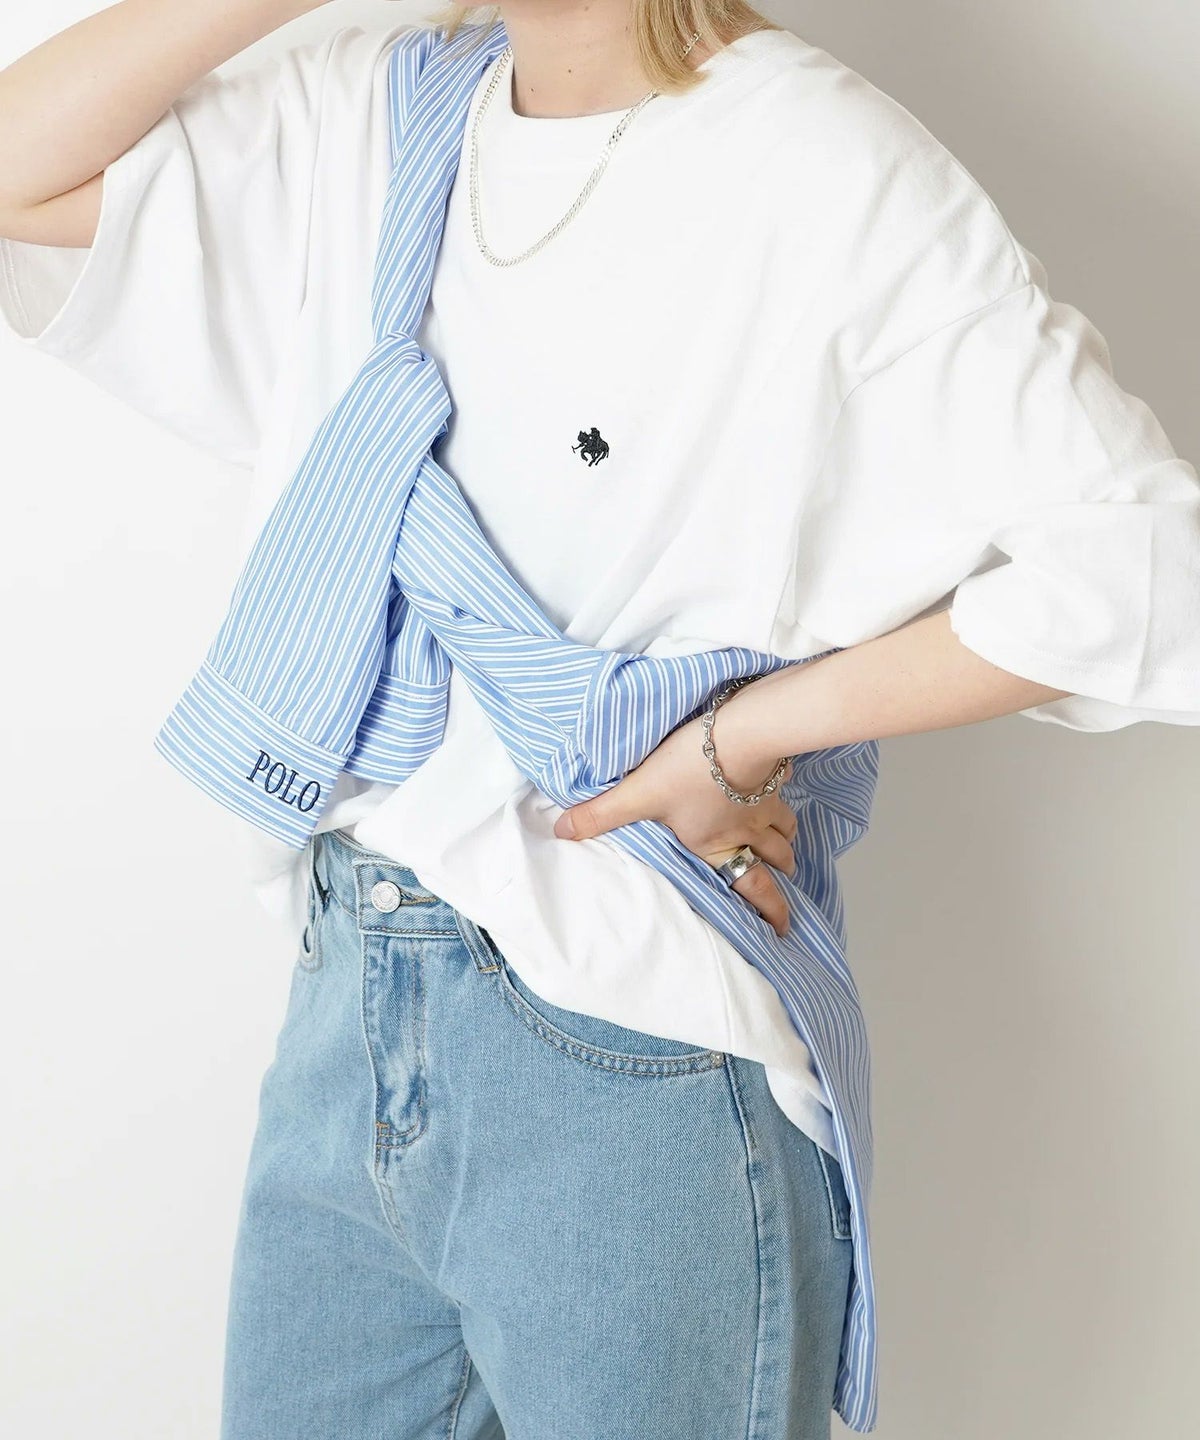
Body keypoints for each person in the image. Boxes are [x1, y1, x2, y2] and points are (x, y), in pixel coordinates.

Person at [2, 2, 1197, 1436]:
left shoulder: (816, 159)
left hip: (628, 1049)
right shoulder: (382, 114)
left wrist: (746, 733)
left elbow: (1147, 567)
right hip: (349, 1012)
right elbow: (16, 168)